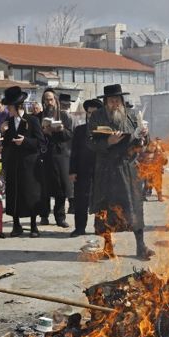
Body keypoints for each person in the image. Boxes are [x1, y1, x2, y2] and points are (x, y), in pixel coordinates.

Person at [87, 84, 153, 260]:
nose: (115, 103)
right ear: (105, 102)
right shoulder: (96, 116)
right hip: (106, 171)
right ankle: (108, 247)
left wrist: (144, 135)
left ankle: (141, 246)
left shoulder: (131, 116)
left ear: (122, 101)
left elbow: (143, 144)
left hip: (129, 170)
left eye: (117, 100)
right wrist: (108, 141)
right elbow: (89, 143)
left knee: (135, 208)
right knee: (105, 210)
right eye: (111, 100)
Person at [0, 86, 44, 237]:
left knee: (30, 194)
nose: (8, 110)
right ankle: (16, 225)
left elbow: (40, 142)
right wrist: (3, 132)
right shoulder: (8, 122)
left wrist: (25, 141)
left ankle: (33, 226)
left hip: (30, 164)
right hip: (13, 163)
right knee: (14, 194)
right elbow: (5, 144)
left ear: (17, 106)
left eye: (9, 107)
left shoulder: (32, 120)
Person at [38, 90, 74, 228]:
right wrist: (44, 132)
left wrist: (61, 130)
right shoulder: (39, 116)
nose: (49, 102)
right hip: (45, 154)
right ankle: (44, 215)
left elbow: (69, 135)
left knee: (61, 186)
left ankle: (60, 217)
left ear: (56, 100)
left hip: (60, 155)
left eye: (51, 99)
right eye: (46, 100)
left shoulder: (64, 116)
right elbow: (35, 136)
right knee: (44, 186)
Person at [69, 98, 101, 237]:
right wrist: (72, 171)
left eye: (95, 113)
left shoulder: (105, 131)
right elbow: (74, 152)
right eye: (89, 113)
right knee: (81, 200)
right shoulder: (80, 130)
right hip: (82, 171)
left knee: (100, 201)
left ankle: (99, 228)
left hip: (100, 171)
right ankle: (79, 228)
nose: (91, 116)